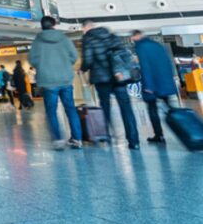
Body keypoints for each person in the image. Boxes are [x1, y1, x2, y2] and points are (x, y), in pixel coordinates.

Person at [81, 21, 140, 149]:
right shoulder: (112, 36)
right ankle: (134, 140)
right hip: (118, 77)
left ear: (86, 28)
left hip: (101, 78)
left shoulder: (88, 39)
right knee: (126, 108)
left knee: (105, 107)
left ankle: (106, 136)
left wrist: (83, 68)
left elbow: (88, 60)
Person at [29, 16, 82, 150]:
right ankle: (77, 139)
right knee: (70, 109)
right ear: (54, 25)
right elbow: (74, 56)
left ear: (42, 26)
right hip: (65, 79)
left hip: (48, 81)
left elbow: (32, 59)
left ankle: (58, 140)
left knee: (51, 111)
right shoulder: (64, 39)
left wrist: (43, 67)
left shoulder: (38, 41)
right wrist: (64, 65)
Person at [131, 30, 177, 144]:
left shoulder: (141, 47)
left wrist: (148, 85)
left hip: (152, 84)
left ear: (136, 36)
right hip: (164, 82)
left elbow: (145, 66)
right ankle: (182, 127)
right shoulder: (157, 45)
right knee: (170, 108)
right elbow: (168, 63)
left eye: (133, 38)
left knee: (152, 109)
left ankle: (158, 134)